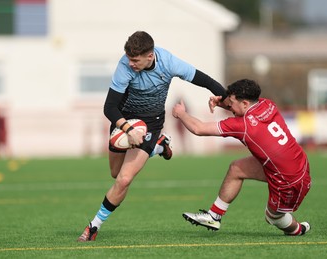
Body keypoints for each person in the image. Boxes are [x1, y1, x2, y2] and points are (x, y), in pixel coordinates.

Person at [77, 31, 228, 241]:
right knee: (115, 173)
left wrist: (224, 99)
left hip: (150, 123)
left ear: (150, 56)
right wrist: (128, 131)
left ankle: (93, 226)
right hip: (124, 121)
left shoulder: (169, 62)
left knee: (124, 179)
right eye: (129, 59)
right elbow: (109, 107)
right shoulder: (124, 67)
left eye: (135, 60)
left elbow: (205, 80)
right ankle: (159, 146)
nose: (131, 64)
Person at [172, 79, 312, 236]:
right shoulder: (267, 104)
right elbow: (241, 109)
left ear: (245, 103)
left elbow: (199, 129)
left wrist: (181, 113)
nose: (229, 106)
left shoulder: (243, 125)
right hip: (297, 163)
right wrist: (222, 103)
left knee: (272, 217)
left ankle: (298, 230)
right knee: (236, 169)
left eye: (231, 103)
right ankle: (213, 216)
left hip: (289, 181)